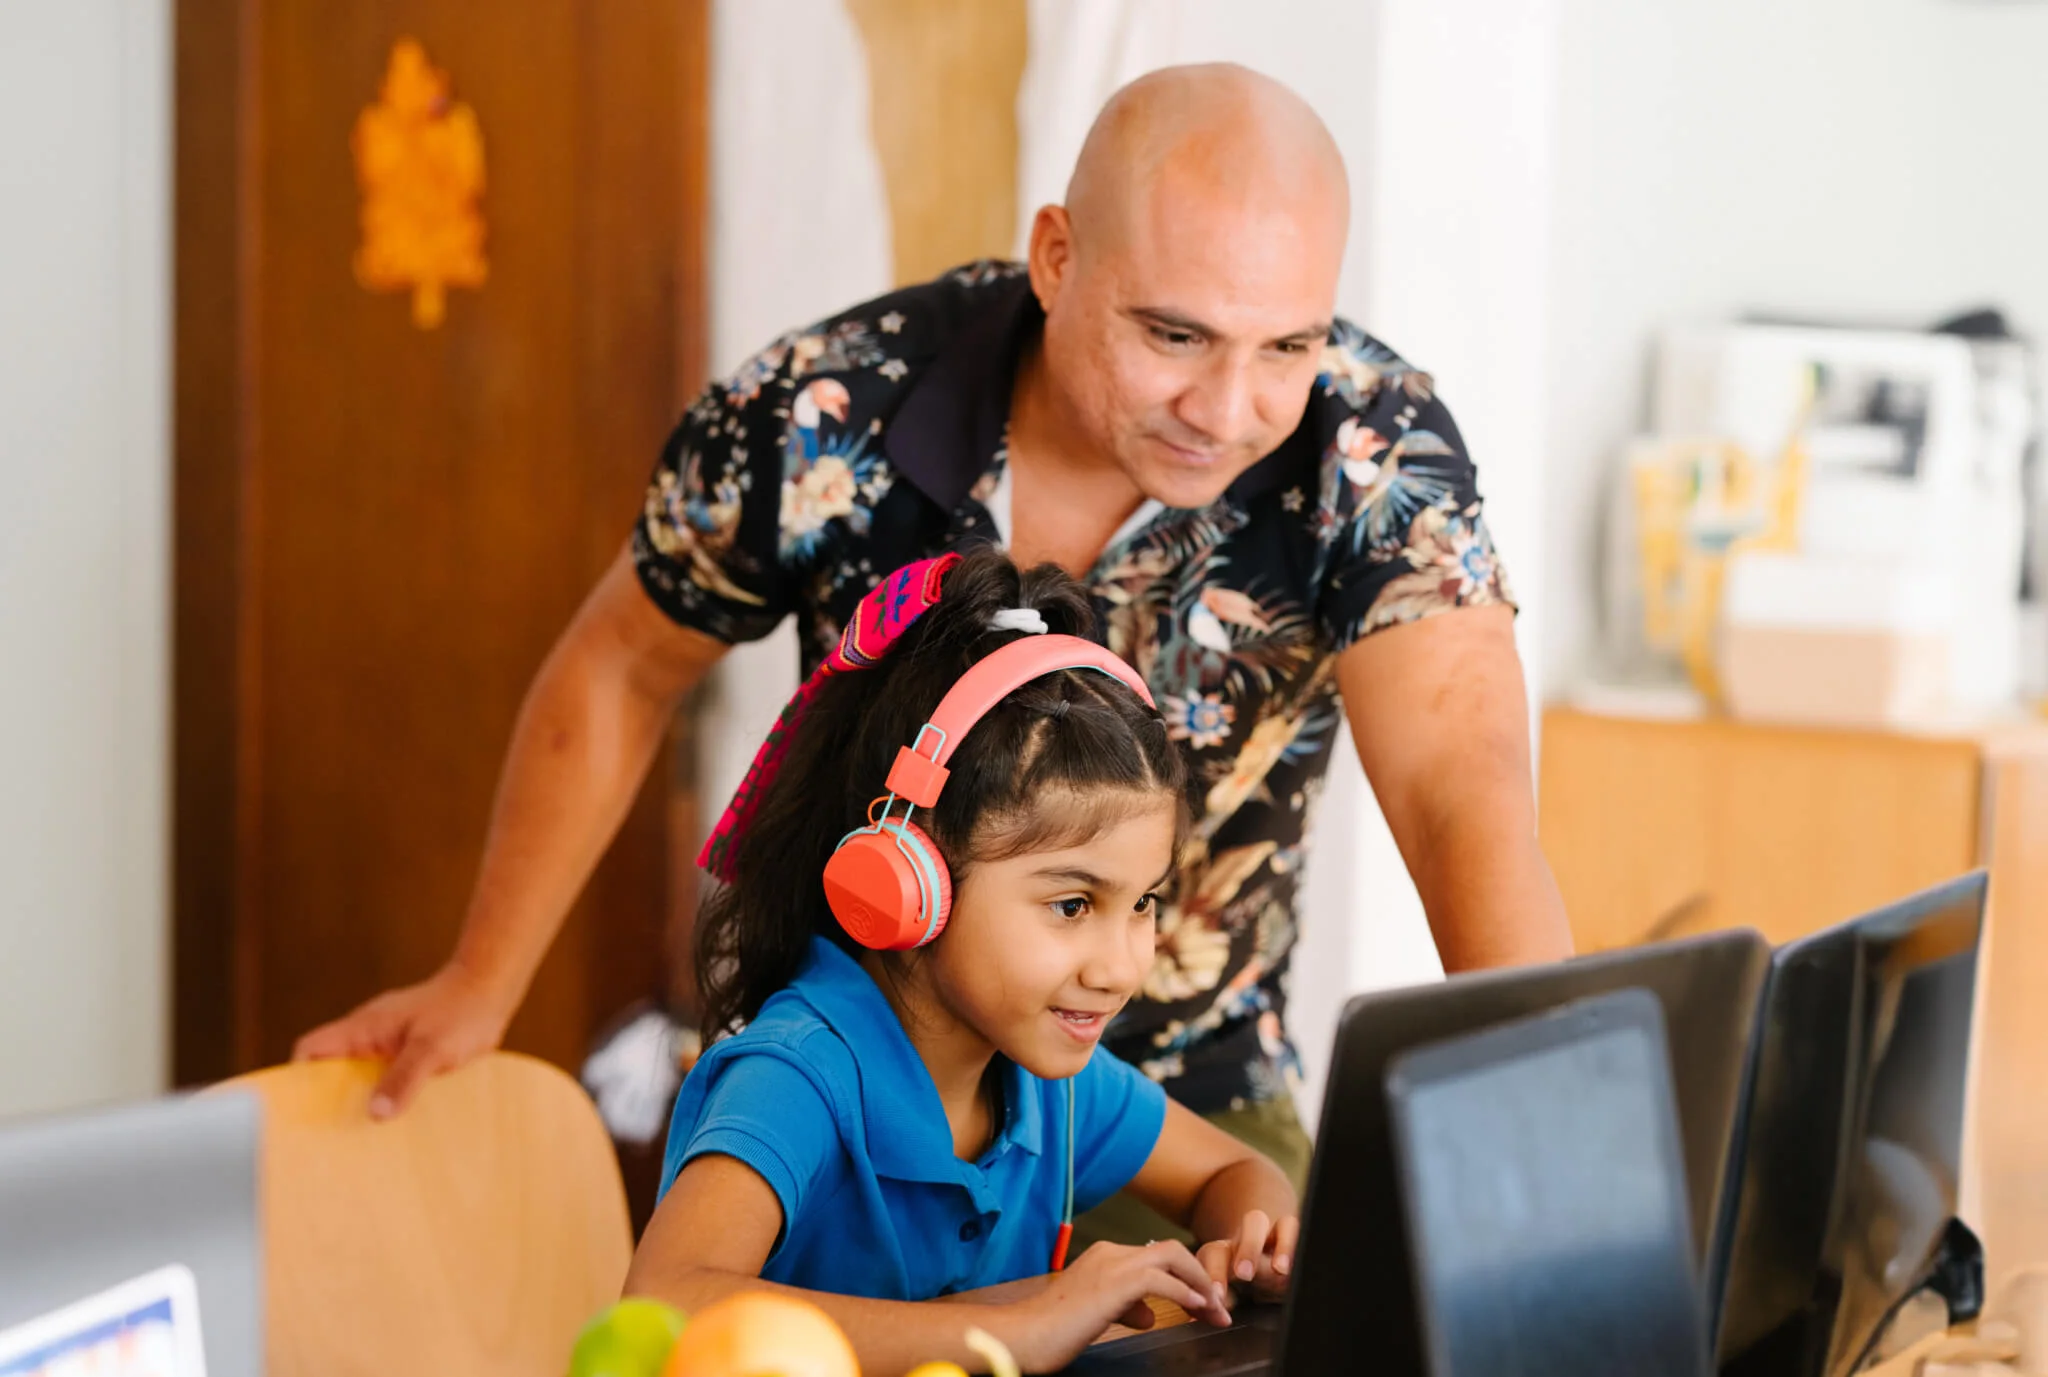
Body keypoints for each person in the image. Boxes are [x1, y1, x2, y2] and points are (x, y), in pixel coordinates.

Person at [296, 63, 1572, 1242]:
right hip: (860, 1079)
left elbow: (1460, 783)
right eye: (1173, 337)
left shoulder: (1372, 451)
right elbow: (620, 668)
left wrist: (1551, 1113)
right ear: (1057, 258)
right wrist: (480, 978)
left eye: (1286, 345)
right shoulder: (818, 413)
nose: (1226, 410)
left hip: (1179, 1107)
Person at [623, 548, 1298, 1374]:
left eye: (1143, 903)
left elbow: (1233, 1167)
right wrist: (1018, 1326)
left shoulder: (1050, 1083)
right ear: (911, 879)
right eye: (1073, 905)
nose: (1122, 968)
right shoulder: (800, 1077)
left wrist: (1258, 1238)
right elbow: (666, 1301)